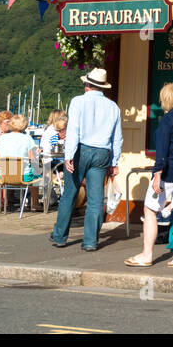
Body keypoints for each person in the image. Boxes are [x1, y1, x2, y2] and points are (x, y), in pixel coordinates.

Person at [126, 83, 173, 268]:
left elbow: (162, 150)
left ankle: (146, 254)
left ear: (165, 99)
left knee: (150, 210)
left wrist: (157, 174)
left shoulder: (166, 120)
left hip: (169, 173)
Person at [50, 67, 123, 252]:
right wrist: (114, 161)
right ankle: (90, 240)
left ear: (88, 84)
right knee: (96, 198)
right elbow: (117, 137)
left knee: (70, 194)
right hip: (102, 152)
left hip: (81, 149)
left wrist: (69, 155)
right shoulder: (113, 106)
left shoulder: (77, 102)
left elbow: (73, 130)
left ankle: (60, 236)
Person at [0, 113, 40, 213]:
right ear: (24, 125)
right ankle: (35, 204)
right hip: (22, 176)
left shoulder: (2, 138)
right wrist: (37, 153)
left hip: (4, 175)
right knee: (36, 175)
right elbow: (32, 158)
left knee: (0, 175)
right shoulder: (28, 139)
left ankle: (1, 203)